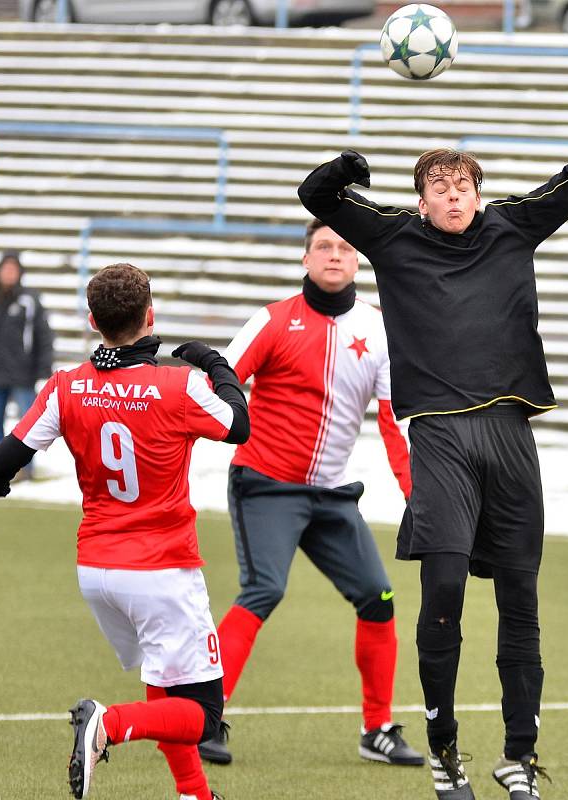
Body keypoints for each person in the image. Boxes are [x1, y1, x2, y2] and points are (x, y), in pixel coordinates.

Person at [298, 104, 568, 800]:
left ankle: (517, 757)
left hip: (509, 434)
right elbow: (314, 196)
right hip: (438, 434)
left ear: (476, 189)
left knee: (521, 600)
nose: (453, 193)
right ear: (420, 199)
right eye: (438, 184)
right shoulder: (392, 236)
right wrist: (347, 169)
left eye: (461, 182)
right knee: (443, 589)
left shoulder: (509, 223)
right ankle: (443, 751)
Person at [0, 263, 250, 800]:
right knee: (203, 715)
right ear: (149, 317)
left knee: (163, 677)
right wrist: (213, 360)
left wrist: (0, 486)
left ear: (92, 321)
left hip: (97, 570)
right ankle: (109, 724)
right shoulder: (177, 385)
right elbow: (238, 424)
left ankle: (194, 793)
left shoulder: (67, 386)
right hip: (161, 569)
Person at [197, 218, 423, 768]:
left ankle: (378, 730)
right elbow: (215, 390)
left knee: (379, 598)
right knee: (263, 591)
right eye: (323, 245)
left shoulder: (379, 330)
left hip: (331, 497)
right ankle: (204, 716)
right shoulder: (272, 320)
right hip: (266, 487)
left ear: (357, 261)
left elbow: (395, 423)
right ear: (306, 259)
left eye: (345, 247)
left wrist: (419, 497)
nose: (334, 254)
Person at [0, 250, 54, 475]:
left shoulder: (29, 301)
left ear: (19, 273)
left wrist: (44, 366)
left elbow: (43, 334)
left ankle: (27, 469)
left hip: (22, 375)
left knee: (27, 425)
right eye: (5, 269)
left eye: (13, 269)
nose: (9, 273)